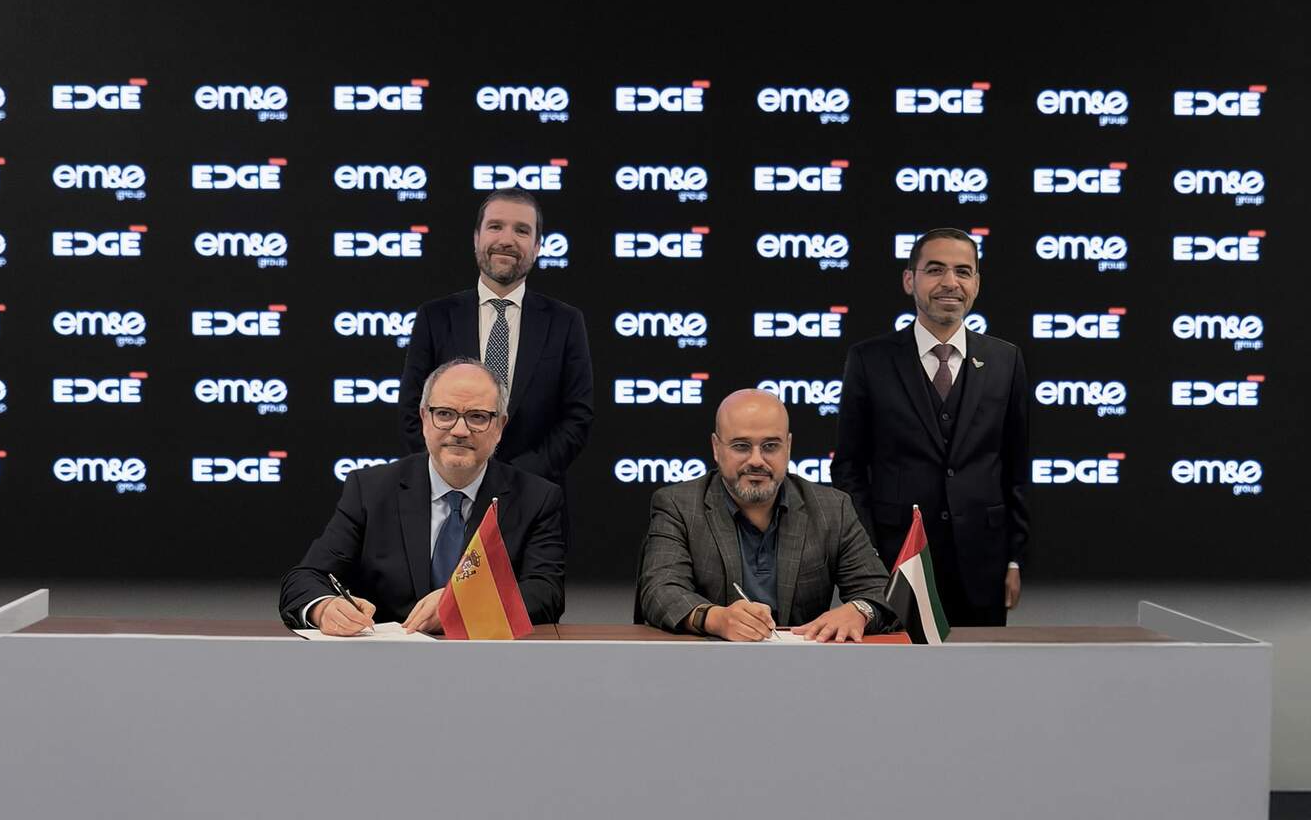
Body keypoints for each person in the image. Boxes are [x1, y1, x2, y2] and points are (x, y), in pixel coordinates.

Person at [831, 228, 1030, 627]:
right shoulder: (869, 360)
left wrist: (1014, 558)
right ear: (910, 280)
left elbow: (1016, 468)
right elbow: (849, 468)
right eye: (935, 270)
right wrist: (868, 558)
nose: (950, 282)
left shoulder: (1006, 359)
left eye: (963, 271)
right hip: (896, 562)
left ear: (976, 283)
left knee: (977, 666)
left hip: (983, 563)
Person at [280, 359, 565, 634]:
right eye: (445, 414)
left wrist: (462, 604)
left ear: (500, 426)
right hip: (387, 659)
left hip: (488, 658)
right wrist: (324, 608)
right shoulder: (370, 490)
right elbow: (305, 578)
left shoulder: (536, 498)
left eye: (477, 417)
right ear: (424, 418)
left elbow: (546, 594)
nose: (460, 430)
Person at [638, 389, 893, 642]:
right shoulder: (679, 505)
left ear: (788, 447)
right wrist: (714, 618)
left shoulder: (833, 508)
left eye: (770, 446)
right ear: (716, 448)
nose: (757, 460)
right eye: (741, 446)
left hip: (805, 664)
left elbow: (883, 593)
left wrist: (860, 611)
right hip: (709, 661)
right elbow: (660, 590)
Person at [397, 189, 593, 491]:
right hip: (446, 494)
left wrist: (514, 479)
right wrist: (454, 474)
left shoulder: (565, 322)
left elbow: (577, 418)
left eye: (522, 230)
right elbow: (413, 409)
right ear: (476, 238)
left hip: (534, 497)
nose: (507, 239)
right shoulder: (435, 317)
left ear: (537, 246)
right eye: (495, 226)